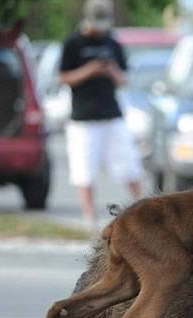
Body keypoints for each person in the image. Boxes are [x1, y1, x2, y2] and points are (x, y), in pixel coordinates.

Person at [59, 0, 143, 229]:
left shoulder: (113, 43)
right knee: (84, 170)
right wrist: (90, 70)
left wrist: (111, 70)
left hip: (111, 114)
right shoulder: (73, 44)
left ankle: (144, 210)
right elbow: (63, 77)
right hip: (83, 117)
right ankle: (89, 218)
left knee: (129, 165)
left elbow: (125, 80)